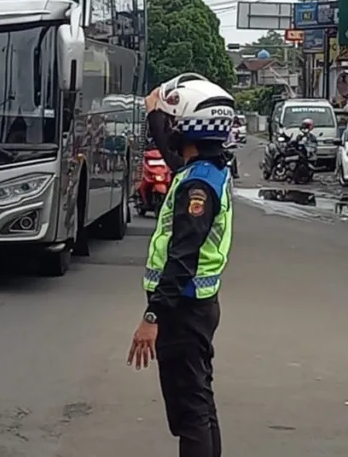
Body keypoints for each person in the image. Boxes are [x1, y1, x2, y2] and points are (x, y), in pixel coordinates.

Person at [127, 73, 235, 457]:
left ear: (189, 126)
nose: (170, 128)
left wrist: (152, 317)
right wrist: (155, 112)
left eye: (175, 120)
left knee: (191, 411)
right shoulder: (203, 170)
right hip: (196, 306)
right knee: (198, 404)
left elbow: (182, 257)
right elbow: (173, 155)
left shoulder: (198, 188)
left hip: (183, 309)